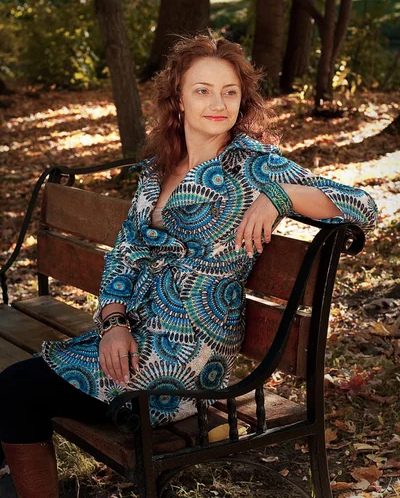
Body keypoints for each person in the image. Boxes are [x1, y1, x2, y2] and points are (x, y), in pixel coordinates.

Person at [0, 32, 378, 497]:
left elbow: (362, 204)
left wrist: (281, 195)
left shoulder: (253, 165)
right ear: (177, 99)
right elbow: (126, 254)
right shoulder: (159, 168)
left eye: (229, 91)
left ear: (243, 99)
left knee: (15, 392)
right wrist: (113, 322)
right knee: (14, 395)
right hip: (135, 335)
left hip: (186, 356)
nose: (217, 103)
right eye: (202, 90)